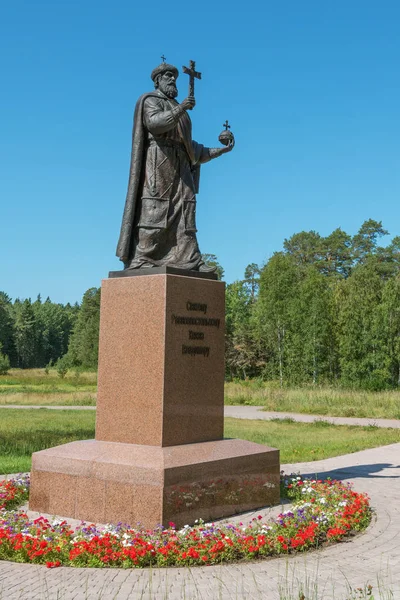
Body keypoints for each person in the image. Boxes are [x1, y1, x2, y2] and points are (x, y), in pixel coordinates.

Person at [116, 62, 234, 272]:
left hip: (181, 165)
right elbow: (154, 124)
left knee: (186, 213)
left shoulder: (182, 114)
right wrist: (181, 108)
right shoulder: (150, 100)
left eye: (174, 77)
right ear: (157, 80)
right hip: (159, 161)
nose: (172, 79)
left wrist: (222, 150)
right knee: (154, 210)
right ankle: (143, 257)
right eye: (167, 76)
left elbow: (192, 150)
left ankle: (191, 259)